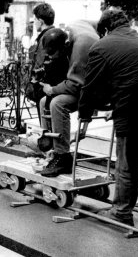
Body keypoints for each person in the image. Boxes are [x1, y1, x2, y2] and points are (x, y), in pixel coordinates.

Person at [79, 9, 138, 227]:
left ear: (104, 29)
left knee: (126, 163)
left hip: (135, 112)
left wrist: (84, 116)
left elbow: (91, 87)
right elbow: (136, 77)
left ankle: (121, 212)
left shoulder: (102, 46)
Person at [38, 20, 99, 177]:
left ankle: (63, 156)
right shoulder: (70, 32)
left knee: (58, 103)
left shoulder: (80, 47)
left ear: (64, 46)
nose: (50, 57)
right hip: (86, 86)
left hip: (95, 91)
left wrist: (52, 89)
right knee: (44, 102)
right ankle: (52, 149)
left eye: (53, 54)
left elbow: (75, 85)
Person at [25, 3, 56, 106]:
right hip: (53, 86)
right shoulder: (55, 34)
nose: (34, 22)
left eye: (35, 20)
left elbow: (39, 64)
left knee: (44, 119)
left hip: (43, 88)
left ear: (41, 21)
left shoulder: (45, 38)